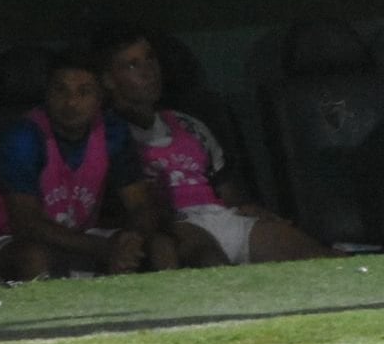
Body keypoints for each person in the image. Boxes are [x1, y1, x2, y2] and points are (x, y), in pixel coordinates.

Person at [96, 27, 333, 266]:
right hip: (177, 223)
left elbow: (225, 188)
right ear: (108, 80)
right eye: (132, 65)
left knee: (324, 260)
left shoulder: (187, 123)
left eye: (150, 58)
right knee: (211, 263)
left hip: (220, 216)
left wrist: (247, 207)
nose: (149, 71)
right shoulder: (108, 133)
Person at [0, 47, 174, 284]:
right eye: (60, 90)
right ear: (47, 92)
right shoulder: (24, 136)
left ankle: (177, 319)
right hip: (4, 243)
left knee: (159, 245)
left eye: (84, 92)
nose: (71, 102)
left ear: (100, 97)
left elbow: (140, 204)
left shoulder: (112, 133)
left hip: (76, 239)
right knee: (34, 257)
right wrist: (104, 248)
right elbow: (26, 224)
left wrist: (132, 238)